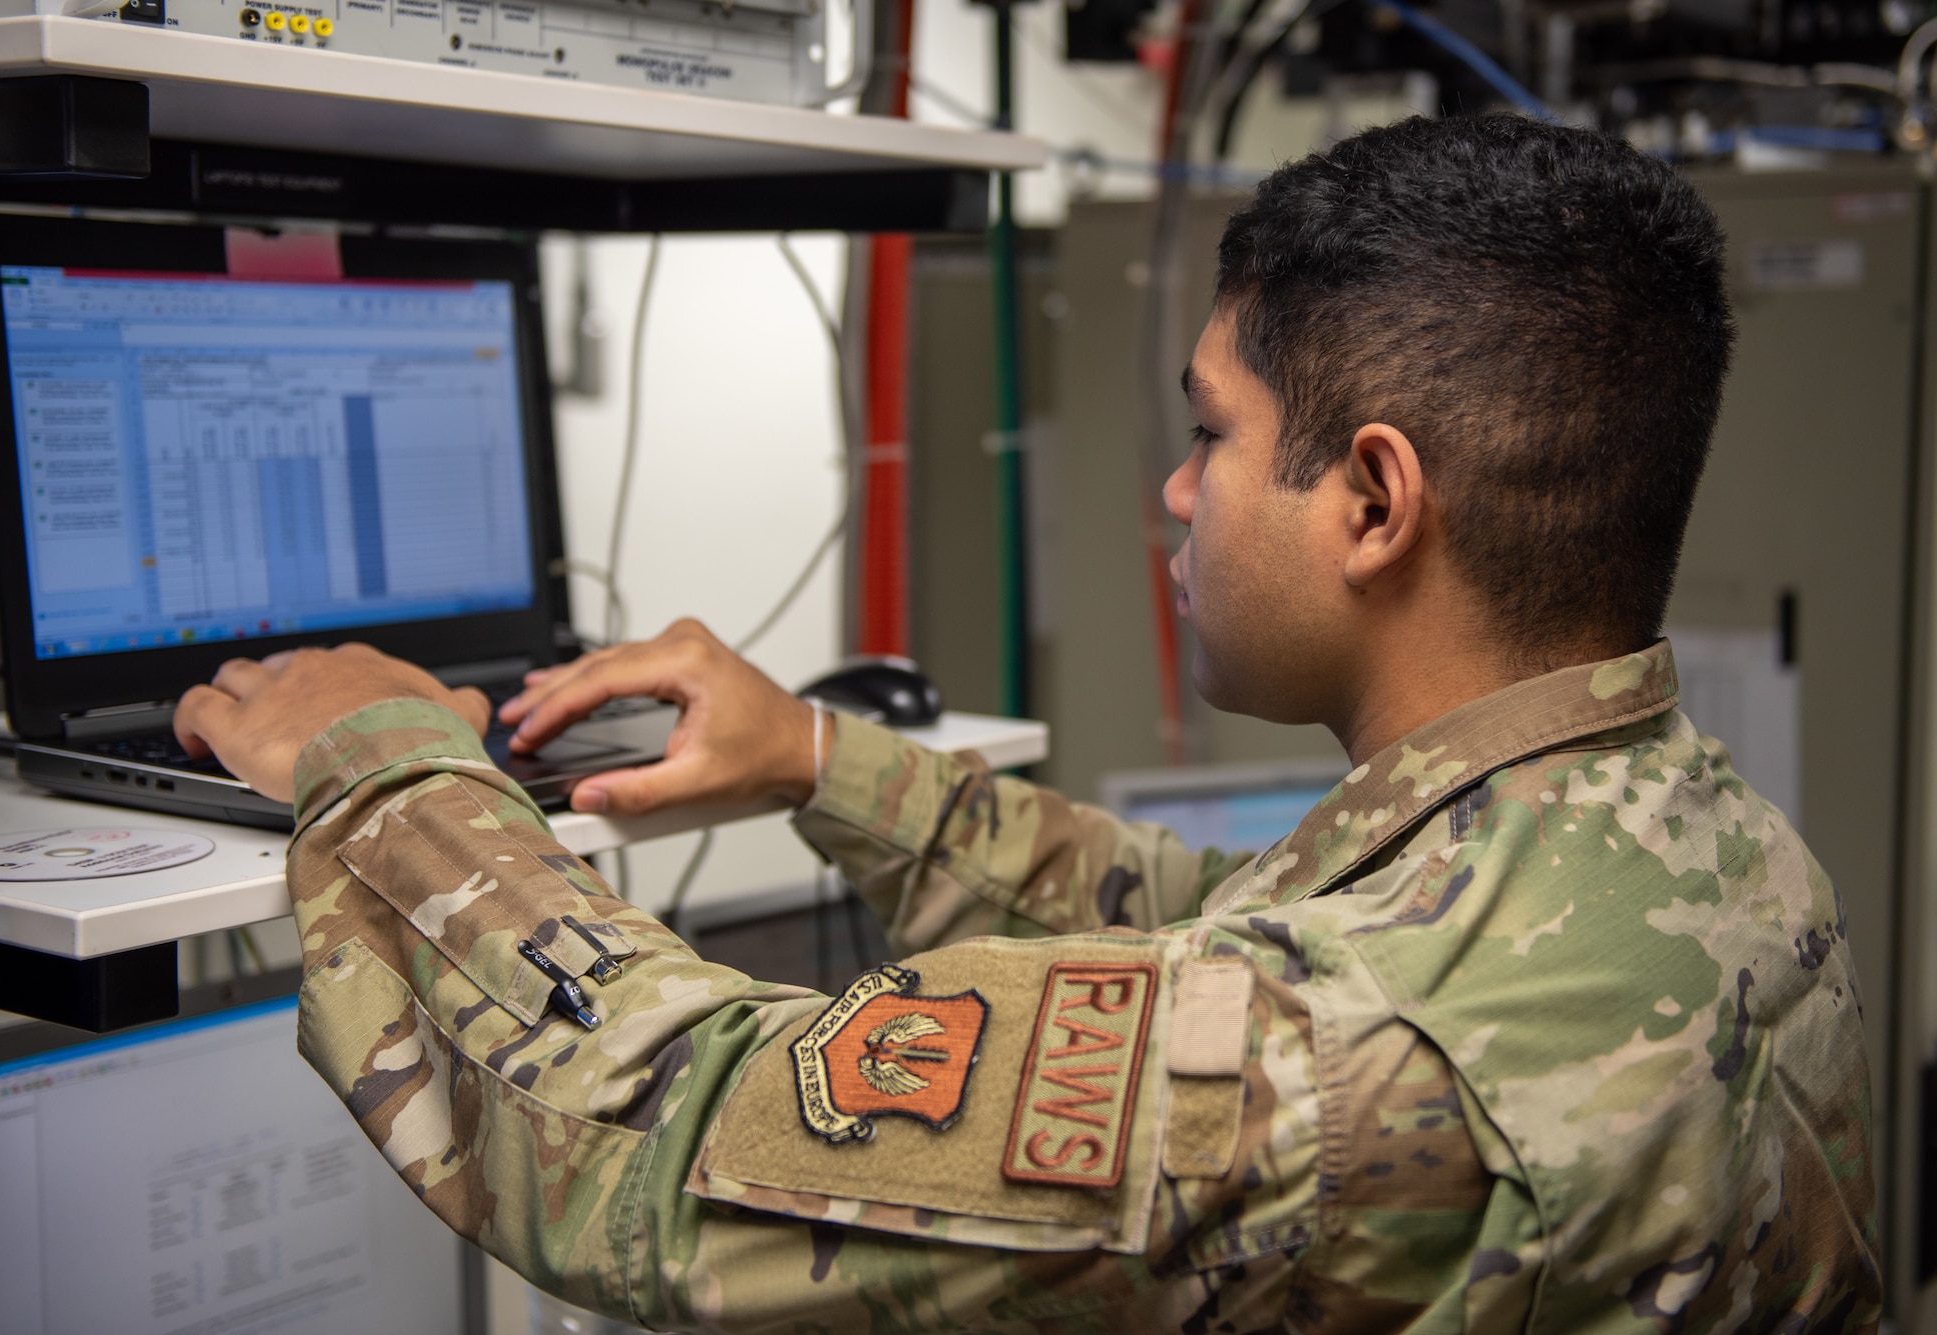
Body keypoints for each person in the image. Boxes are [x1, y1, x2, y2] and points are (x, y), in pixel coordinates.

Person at [175, 114, 1881, 1333]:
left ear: (1373, 501)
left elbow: (660, 1135)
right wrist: (821, 762)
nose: (1171, 491)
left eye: (1207, 433)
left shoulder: (1339, 1066)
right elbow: (1200, 934)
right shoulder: (1708, 853)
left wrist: (384, 756)